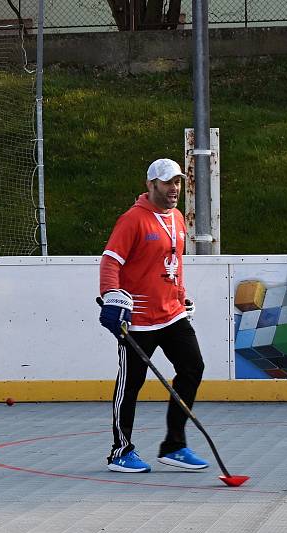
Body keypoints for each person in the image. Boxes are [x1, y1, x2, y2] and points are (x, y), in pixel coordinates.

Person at [98, 158, 207, 474]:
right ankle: (121, 451)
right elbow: (110, 262)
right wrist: (111, 299)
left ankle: (174, 445)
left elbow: (174, 263)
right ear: (151, 185)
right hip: (138, 319)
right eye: (167, 182)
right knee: (131, 384)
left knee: (193, 367)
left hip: (172, 315)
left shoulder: (177, 218)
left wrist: (180, 295)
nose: (174, 189)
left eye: (177, 182)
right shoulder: (132, 220)